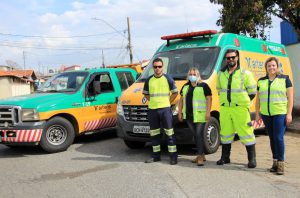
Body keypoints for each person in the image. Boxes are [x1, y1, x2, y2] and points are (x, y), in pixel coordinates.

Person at [216, 49, 257, 168]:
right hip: (225, 109)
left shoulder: (246, 73)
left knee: (246, 133)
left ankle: (252, 159)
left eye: (233, 57)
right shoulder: (220, 74)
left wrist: (244, 102)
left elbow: (253, 92)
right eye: (228, 58)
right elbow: (219, 90)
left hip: (240, 109)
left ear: (237, 58)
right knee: (225, 133)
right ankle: (225, 157)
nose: (231, 60)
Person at [255, 57, 293, 175]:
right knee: (272, 138)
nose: (271, 67)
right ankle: (275, 162)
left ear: (277, 66)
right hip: (266, 114)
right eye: (269, 66)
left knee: (278, 137)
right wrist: (257, 114)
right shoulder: (261, 81)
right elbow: (258, 100)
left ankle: (281, 163)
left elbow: (290, 98)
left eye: (273, 65)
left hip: (280, 113)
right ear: (266, 68)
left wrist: (289, 113)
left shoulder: (285, 79)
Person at [143, 58, 179, 165]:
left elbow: (175, 93)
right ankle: (156, 156)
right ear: (153, 68)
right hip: (153, 110)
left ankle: (173, 157)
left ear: (162, 67)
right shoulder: (149, 80)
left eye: (159, 66)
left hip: (165, 110)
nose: (157, 69)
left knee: (169, 134)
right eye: (155, 67)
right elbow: (146, 94)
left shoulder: (168, 78)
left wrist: (167, 101)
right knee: (154, 134)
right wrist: (154, 101)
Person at [178, 67, 212, 166]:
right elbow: (181, 100)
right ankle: (201, 154)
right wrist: (180, 113)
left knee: (198, 135)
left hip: (200, 116)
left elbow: (209, 98)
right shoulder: (185, 86)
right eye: (190, 74)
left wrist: (208, 112)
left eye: (194, 74)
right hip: (189, 116)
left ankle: (200, 157)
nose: (192, 76)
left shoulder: (203, 85)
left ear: (198, 75)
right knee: (197, 136)